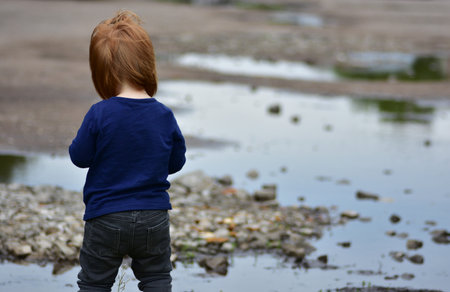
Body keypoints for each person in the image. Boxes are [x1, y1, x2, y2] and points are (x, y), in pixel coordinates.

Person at [69, 10, 186, 292]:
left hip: (106, 215)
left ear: (102, 71)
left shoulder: (100, 113)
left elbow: (79, 157)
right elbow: (176, 162)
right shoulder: (163, 115)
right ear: (148, 64)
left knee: (94, 283)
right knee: (157, 278)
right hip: (153, 216)